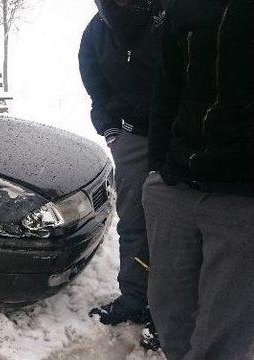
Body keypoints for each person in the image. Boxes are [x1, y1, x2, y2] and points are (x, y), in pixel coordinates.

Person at [144, 0, 254, 358]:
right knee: (169, 312)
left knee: (223, 336)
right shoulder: (183, 6)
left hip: (241, 196)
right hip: (176, 183)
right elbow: (166, 86)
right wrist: (157, 164)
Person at [78, 0, 163, 350]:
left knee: (174, 232)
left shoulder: (167, 18)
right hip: (131, 141)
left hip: (178, 141)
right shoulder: (96, 31)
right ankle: (133, 299)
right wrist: (111, 130)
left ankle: (167, 312)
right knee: (132, 223)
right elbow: (95, 86)